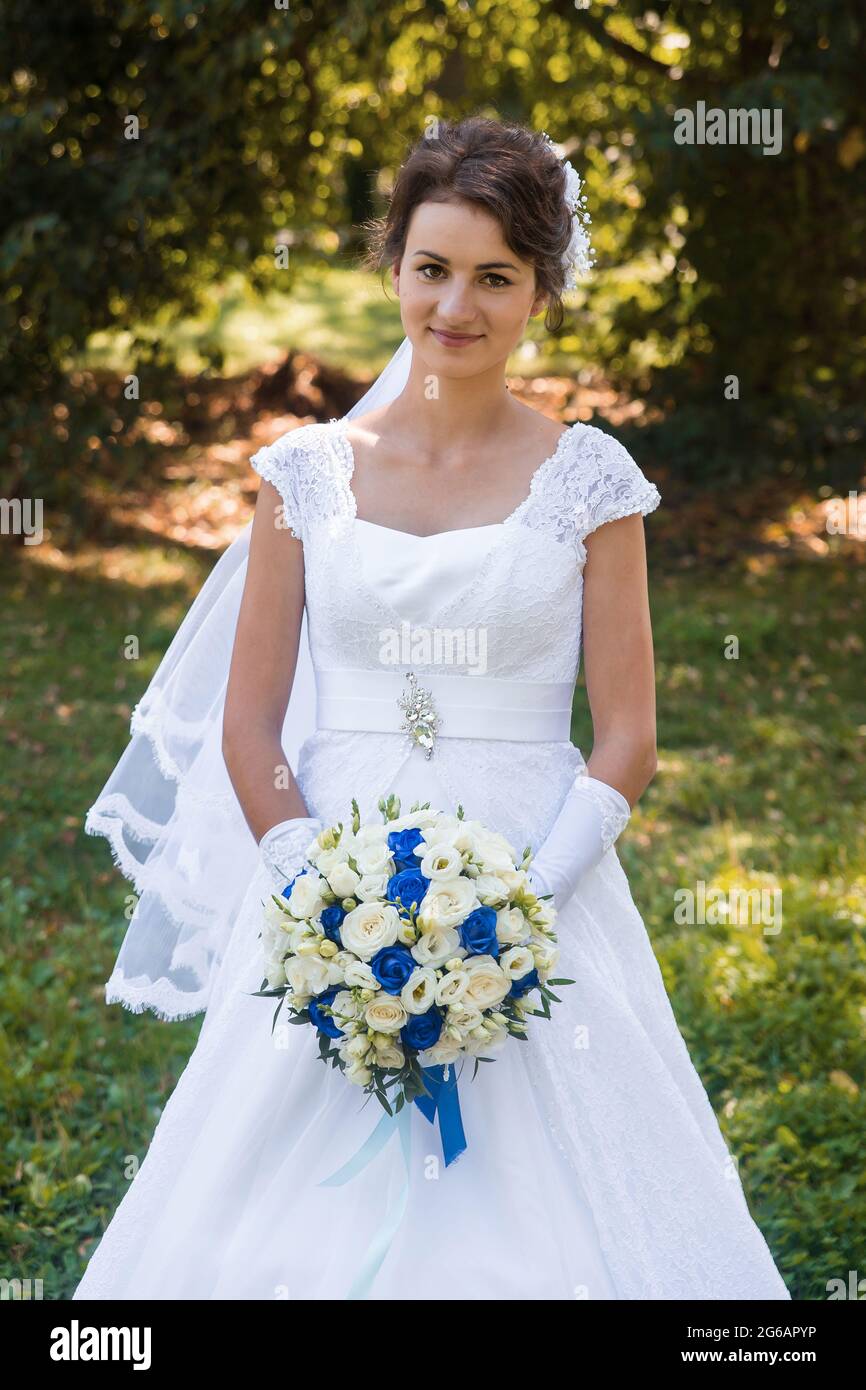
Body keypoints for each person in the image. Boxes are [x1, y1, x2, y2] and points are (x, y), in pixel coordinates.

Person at [73, 116, 790, 1300]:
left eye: (494, 278)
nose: (456, 305)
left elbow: (625, 738)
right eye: (431, 268)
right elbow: (249, 726)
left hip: (529, 867)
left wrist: (514, 909)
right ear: (393, 268)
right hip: (329, 870)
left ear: (540, 291)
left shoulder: (589, 481)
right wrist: (313, 890)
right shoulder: (306, 471)